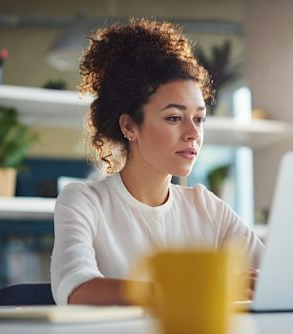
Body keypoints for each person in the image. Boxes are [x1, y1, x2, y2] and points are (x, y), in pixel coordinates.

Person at [50, 18, 264, 306]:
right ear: (129, 126)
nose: (193, 134)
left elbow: (275, 276)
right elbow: (76, 289)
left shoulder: (207, 208)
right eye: (174, 118)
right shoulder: (84, 201)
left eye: (198, 119)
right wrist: (199, 287)